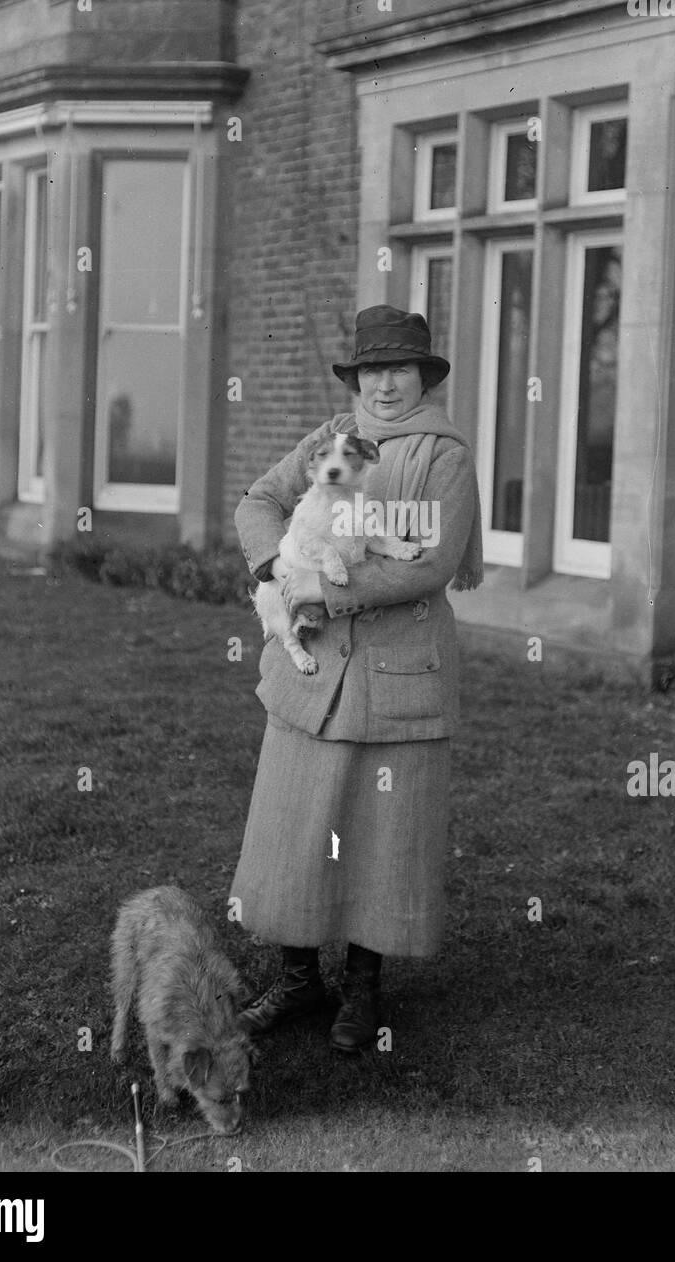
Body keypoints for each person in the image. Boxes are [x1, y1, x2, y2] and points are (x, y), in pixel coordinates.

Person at [231, 305, 483, 1053]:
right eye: (370, 370)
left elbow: (432, 562)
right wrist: (280, 567)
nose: (382, 385)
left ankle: (365, 988)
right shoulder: (326, 442)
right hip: (311, 670)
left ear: (423, 377)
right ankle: (300, 978)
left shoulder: (445, 457)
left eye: (398, 369)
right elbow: (259, 502)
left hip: (398, 671)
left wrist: (325, 591)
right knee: (298, 823)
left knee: (381, 832)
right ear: (356, 378)